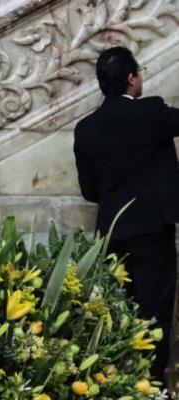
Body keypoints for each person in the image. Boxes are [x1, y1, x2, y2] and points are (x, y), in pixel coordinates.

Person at [74, 46, 179, 384]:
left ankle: (119, 385)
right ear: (132, 78)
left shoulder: (86, 128)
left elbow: (90, 191)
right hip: (152, 232)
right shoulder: (152, 111)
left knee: (117, 315)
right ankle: (152, 387)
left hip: (112, 234)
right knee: (155, 315)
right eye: (140, 73)